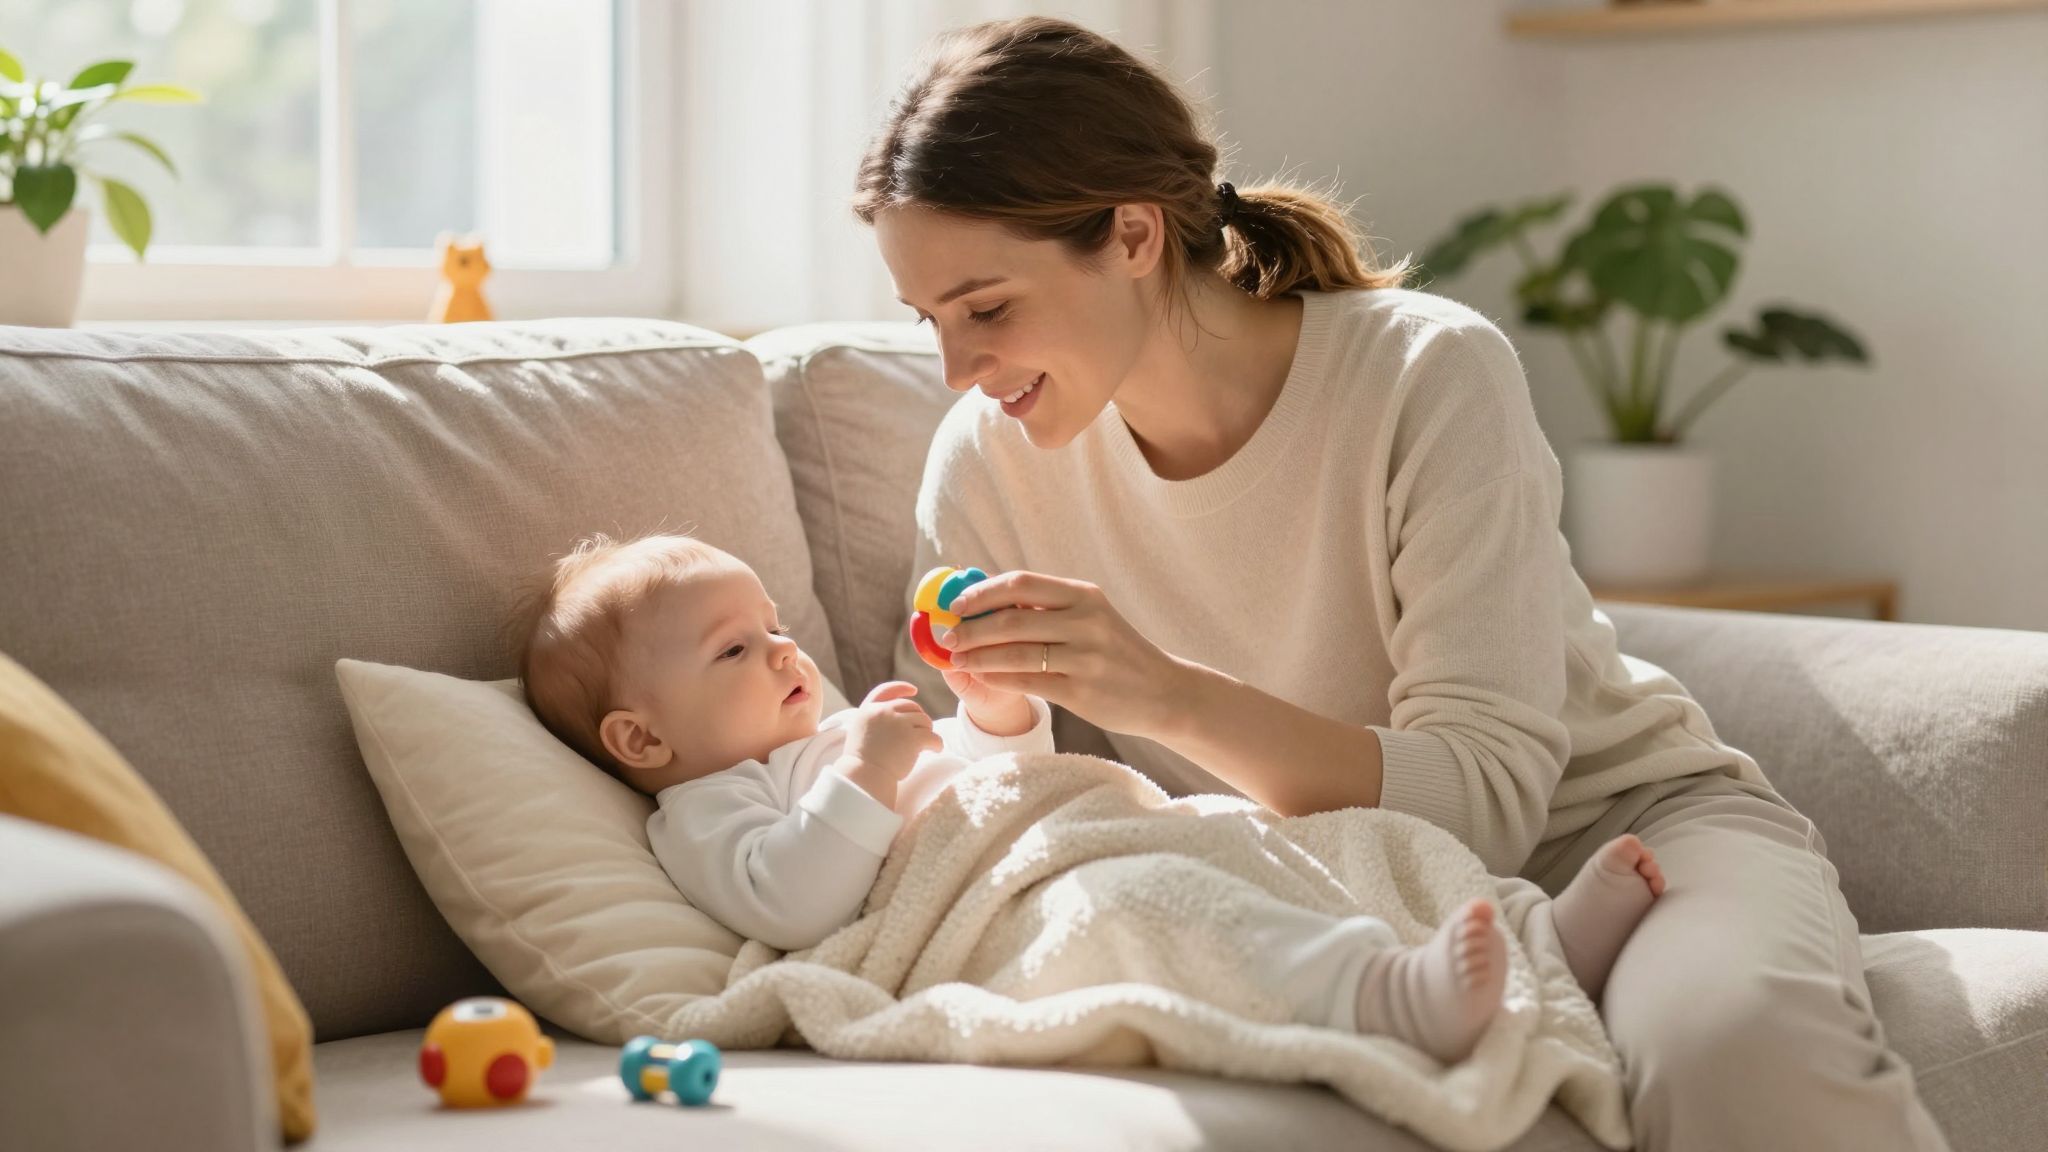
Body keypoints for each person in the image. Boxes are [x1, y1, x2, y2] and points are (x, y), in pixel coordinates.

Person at [857, 16, 1949, 1150]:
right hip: (1345, 911)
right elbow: (975, 830)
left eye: (985, 309)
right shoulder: (984, 461)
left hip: (1612, 838)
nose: (958, 369)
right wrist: (998, 719)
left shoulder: (1423, 373)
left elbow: (1484, 801)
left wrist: (1164, 694)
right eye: (929, 320)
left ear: (1131, 234)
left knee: (1723, 1048)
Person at [513, 532, 1666, 1064]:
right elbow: (794, 905)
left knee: (1298, 840)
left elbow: (988, 770)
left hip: (1068, 819)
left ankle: (1536, 942)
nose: (779, 653)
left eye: (772, 627)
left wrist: (991, 708)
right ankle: (1380, 994)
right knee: (1156, 902)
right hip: (1005, 899)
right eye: (732, 651)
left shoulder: (828, 734)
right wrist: (865, 772)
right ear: (639, 736)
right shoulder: (707, 813)